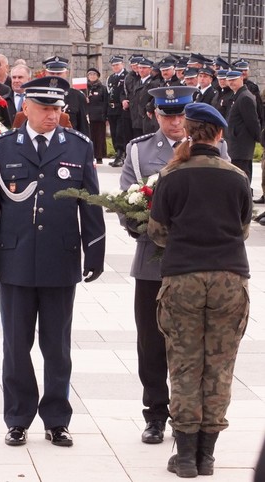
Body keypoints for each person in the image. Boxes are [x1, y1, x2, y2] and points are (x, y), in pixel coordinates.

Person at [0, 76, 106, 447]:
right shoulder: (1, 147)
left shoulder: (78, 147)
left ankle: (56, 419)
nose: (53, 115)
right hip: (14, 260)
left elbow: (90, 203)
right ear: (26, 108)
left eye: (57, 108)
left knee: (57, 347)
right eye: (45, 108)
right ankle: (17, 418)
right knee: (16, 347)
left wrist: (94, 250)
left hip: (60, 259)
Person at [147, 102, 252, 478]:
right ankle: (207, 455)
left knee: (185, 364)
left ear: (188, 131)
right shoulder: (237, 176)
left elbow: (157, 232)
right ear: (220, 134)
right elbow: (242, 229)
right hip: (229, 279)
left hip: (183, 279)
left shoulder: (171, 177)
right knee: (220, 367)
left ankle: (186, 456)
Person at [119, 86, 198, 445]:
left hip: (193, 263)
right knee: (150, 344)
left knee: (189, 342)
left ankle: (187, 415)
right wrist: (143, 221)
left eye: (181, 114)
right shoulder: (139, 151)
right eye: (168, 115)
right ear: (155, 115)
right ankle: (154, 414)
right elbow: (126, 201)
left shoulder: (208, 147)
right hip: (151, 263)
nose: (175, 122)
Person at [226, 70, 261, 183]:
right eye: (229, 80)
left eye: (234, 80)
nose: (231, 83)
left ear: (241, 78)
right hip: (237, 145)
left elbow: (252, 122)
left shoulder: (244, 97)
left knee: (241, 177)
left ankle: (245, 200)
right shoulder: (238, 95)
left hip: (241, 145)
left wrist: (259, 138)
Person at [43, 55, 89, 136]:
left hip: (69, 145)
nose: (55, 77)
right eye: (52, 73)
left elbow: (84, 129)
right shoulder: (38, 95)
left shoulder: (77, 96)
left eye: (59, 73)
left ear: (66, 73)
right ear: (45, 73)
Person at [106, 55, 128, 167]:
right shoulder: (110, 78)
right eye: (113, 65)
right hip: (112, 109)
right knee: (114, 133)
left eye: (117, 65)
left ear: (122, 64)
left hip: (121, 108)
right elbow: (108, 93)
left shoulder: (127, 76)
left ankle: (121, 155)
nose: (115, 67)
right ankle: (117, 154)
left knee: (120, 133)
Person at [86, 67, 108, 164]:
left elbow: (106, 102)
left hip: (99, 116)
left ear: (98, 76)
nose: (92, 76)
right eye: (90, 74)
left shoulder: (102, 88)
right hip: (87, 116)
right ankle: (88, 155)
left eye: (94, 74)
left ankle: (99, 156)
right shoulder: (84, 88)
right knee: (88, 136)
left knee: (99, 137)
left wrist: (106, 116)